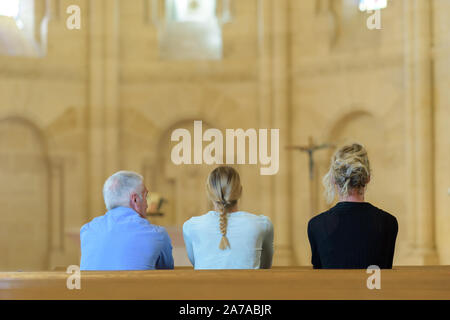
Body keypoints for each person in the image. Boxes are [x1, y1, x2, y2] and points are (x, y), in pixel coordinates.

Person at [307, 143, 398, 269]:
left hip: (333, 289)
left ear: (333, 178)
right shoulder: (389, 223)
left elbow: (320, 275)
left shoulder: (316, 225)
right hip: (374, 289)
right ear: (367, 178)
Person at [183, 166, 274, 269]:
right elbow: (266, 266)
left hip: (206, 285)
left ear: (209, 193)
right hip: (249, 284)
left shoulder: (191, 226)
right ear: (240, 191)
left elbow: (196, 262)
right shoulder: (262, 225)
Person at [80, 171, 174, 270]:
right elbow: (167, 273)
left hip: (92, 286)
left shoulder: (87, 230)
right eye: (146, 196)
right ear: (135, 200)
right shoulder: (158, 234)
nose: (147, 205)